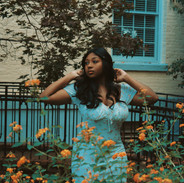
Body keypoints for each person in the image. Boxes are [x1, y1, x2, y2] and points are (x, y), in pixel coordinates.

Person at [40, 48, 158, 182]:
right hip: (87, 156)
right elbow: (44, 97)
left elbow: (152, 98)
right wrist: (70, 76)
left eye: (94, 61)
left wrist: (126, 78)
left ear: (106, 64)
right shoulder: (79, 90)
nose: (89, 65)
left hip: (116, 155)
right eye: (86, 63)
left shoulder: (120, 91)